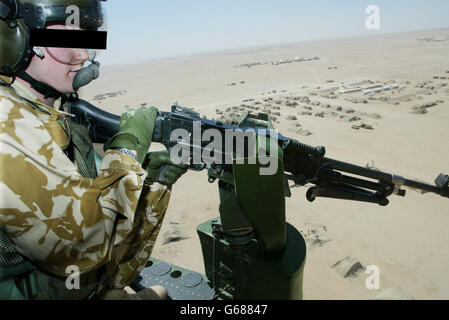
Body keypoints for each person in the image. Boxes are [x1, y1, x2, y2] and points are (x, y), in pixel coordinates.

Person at [0, 0, 187, 299]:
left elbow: (104, 239)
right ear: (17, 37)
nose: (84, 55)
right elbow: (82, 245)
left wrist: (151, 183)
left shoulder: (54, 116)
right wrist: (126, 151)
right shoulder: (6, 123)